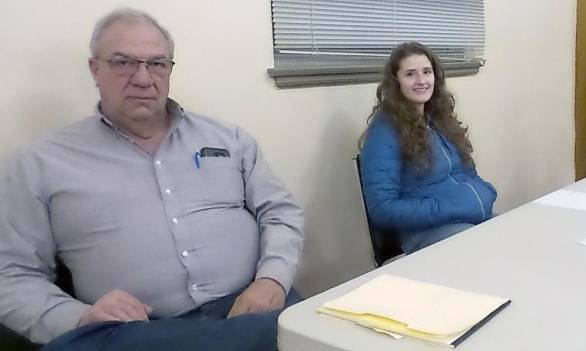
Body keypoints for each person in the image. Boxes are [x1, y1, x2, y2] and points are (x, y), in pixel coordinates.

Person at [0, 8, 304, 350]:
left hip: (251, 306)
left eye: (157, 63)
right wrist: (77, 317)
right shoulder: (40, 163)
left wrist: (272, 280)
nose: (143, 78)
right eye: (123, 62)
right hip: (140, 333)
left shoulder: (229, 140)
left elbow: (281, 212)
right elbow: (10, 275)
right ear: (94, 69)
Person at [359, 42, 497, 255]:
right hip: (426, 233)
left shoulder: (440, 119)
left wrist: (486, 193)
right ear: (396, 82)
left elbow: (468, 172)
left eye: (427, 72)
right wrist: (450, 208)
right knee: (490, 254)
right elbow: (382, 208)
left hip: (471, 219)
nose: (421, 81)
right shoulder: (384, 132)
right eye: (410, 74)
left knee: (520, 239)